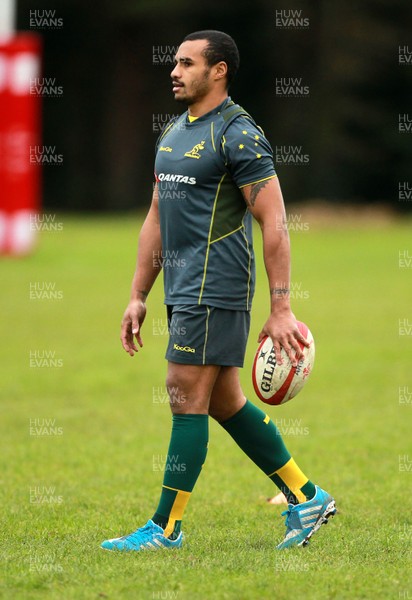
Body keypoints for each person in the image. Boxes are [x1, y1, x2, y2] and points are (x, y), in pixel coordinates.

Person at [101, 30, 336, 552]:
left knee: (184, 395)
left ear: (219, 70)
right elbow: (156, 217)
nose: (174, 71)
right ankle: (307, 496)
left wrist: (282, 308)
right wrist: (138, 294)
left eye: (186, 63)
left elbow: (274, 222)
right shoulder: (174, 131)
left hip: (216, 286)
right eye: (175, 63)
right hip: (182, 288)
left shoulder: (239, 133)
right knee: (224, 402)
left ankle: (165, 529)